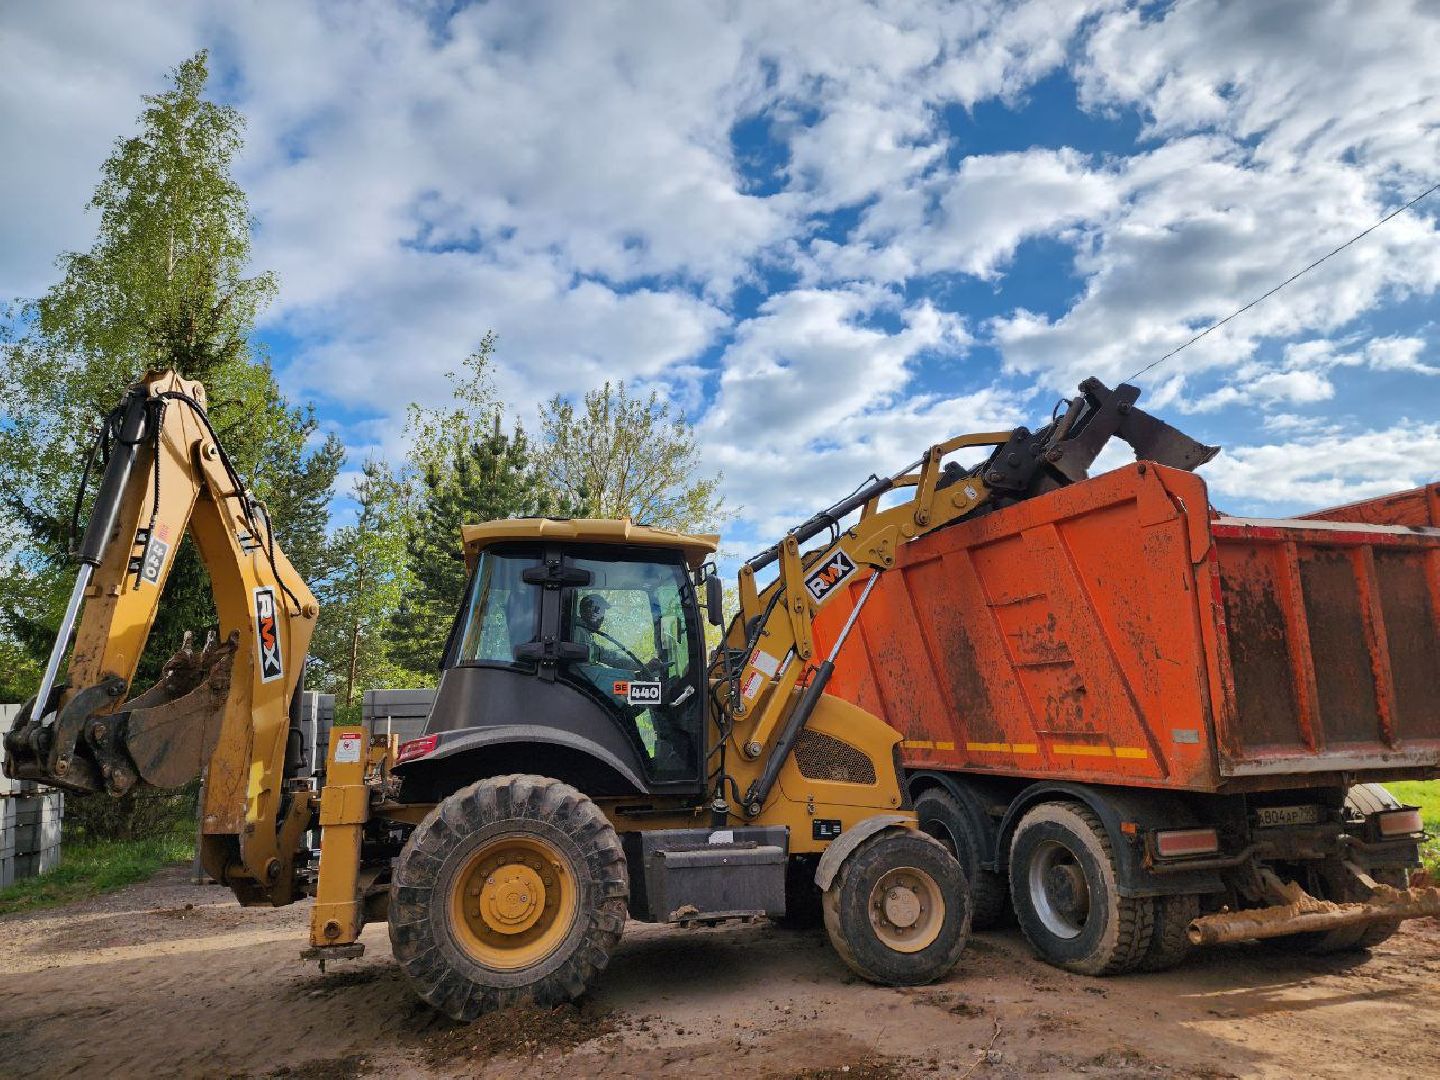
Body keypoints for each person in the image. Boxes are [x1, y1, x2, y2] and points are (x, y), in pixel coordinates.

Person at [573, 593, 634, 669]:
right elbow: (583, 668)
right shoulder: (578, 631)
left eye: (602, 611)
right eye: (596, 609)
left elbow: (602, 654)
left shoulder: (584, 632)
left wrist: (637, 665)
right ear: (586, 611)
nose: (601, 617)